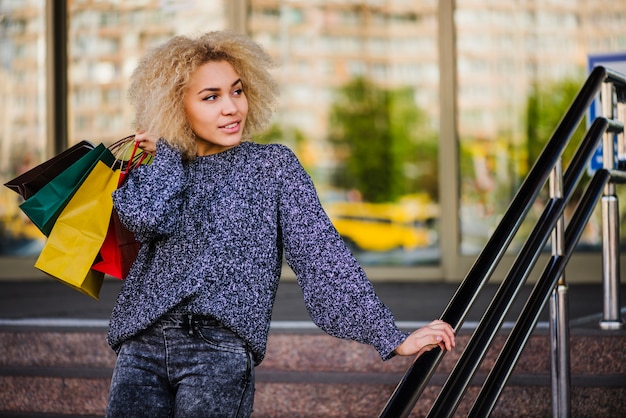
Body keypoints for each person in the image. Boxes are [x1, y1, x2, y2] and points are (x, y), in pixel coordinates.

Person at [105, 31, 455, 418]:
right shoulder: (161, 169)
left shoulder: (272, 167)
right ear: (175, 106)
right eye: (211, 97)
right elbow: (145, 220)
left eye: (237, 91)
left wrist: (389, 337)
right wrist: (169, 151)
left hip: (217, 351)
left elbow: (321, 255)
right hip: (141, 346)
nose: (231, 108)